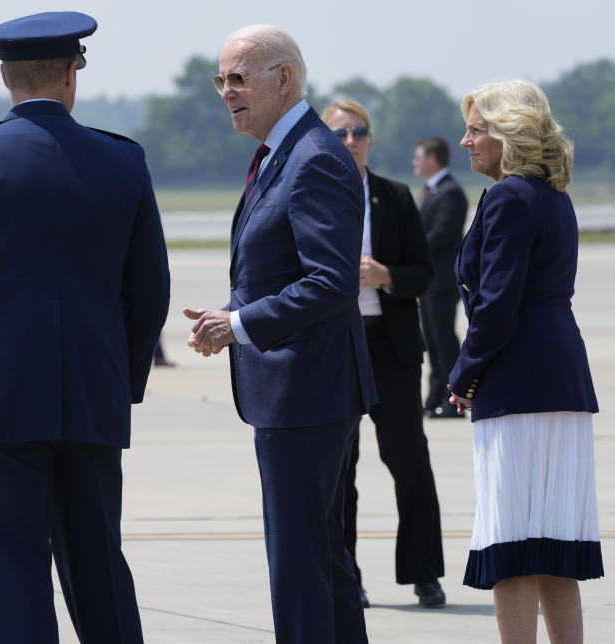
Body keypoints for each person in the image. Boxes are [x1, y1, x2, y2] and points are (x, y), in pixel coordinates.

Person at [0, 11, 170, 644]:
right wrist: (119, 382)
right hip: (91, 400)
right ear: (74, 73)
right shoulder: (122, 160)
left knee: (8, 573)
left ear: (4, 76)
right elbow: (149, 291)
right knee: (99, 567)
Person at [185, 25, 376, 644]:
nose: (226, 92)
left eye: (238, 78)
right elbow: (275, 269)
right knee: (322, 563)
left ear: (283, 79)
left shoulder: (314, 156)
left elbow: (329, 283)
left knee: (300, 567)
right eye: (222, 79)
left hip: (308, 391)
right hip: (300, 391)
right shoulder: (281, 152)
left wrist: (238, 325)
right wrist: (231, 320)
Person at [452, 79, 602, 643]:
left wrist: (464, 375)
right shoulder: (553, 196)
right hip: (562, 379)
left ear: (508, 133)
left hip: (516, 381)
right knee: (556, 547)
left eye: (476, 129)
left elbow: (495, 306)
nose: (465, 140)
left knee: (511, 545)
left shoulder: (509, 196)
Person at [321, 100, 445, 609]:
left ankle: (424, 574)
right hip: (336, 347)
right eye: (341, 133)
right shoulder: (313, 193)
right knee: (338, 467)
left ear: (370, 140)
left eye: (359, 132)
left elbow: (424, 272)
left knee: (409, 459)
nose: (351, 140)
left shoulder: (395, 196)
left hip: (390, 347)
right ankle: (345, 575)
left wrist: (386, 276)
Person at [412, 137, 468, 418]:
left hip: (442, 281)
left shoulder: (451, 192)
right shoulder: (431, 191)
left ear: (433, 159)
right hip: (429, 280)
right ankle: (434, 396)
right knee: (432, 341)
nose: (414, 162)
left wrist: (408, 250)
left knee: (444, 341)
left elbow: (440, 235)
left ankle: (452, 398)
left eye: (418, 157)